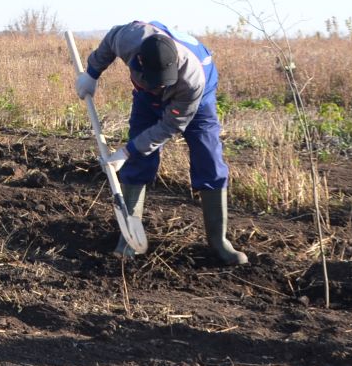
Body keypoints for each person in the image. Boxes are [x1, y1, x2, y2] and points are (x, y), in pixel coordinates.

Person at [75, 19, 247, 266]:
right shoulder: (129, 38)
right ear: (140, 63)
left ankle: (219, 242)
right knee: (139, 162)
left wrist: (126, 151)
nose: (159, 89)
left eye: (163, 83)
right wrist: (92, 73)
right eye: (155, 82)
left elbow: (170, 125)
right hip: (145, 100)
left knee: (208, 158)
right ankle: (129, 238)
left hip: (196, 103)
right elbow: (111, 39)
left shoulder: (191, 80)